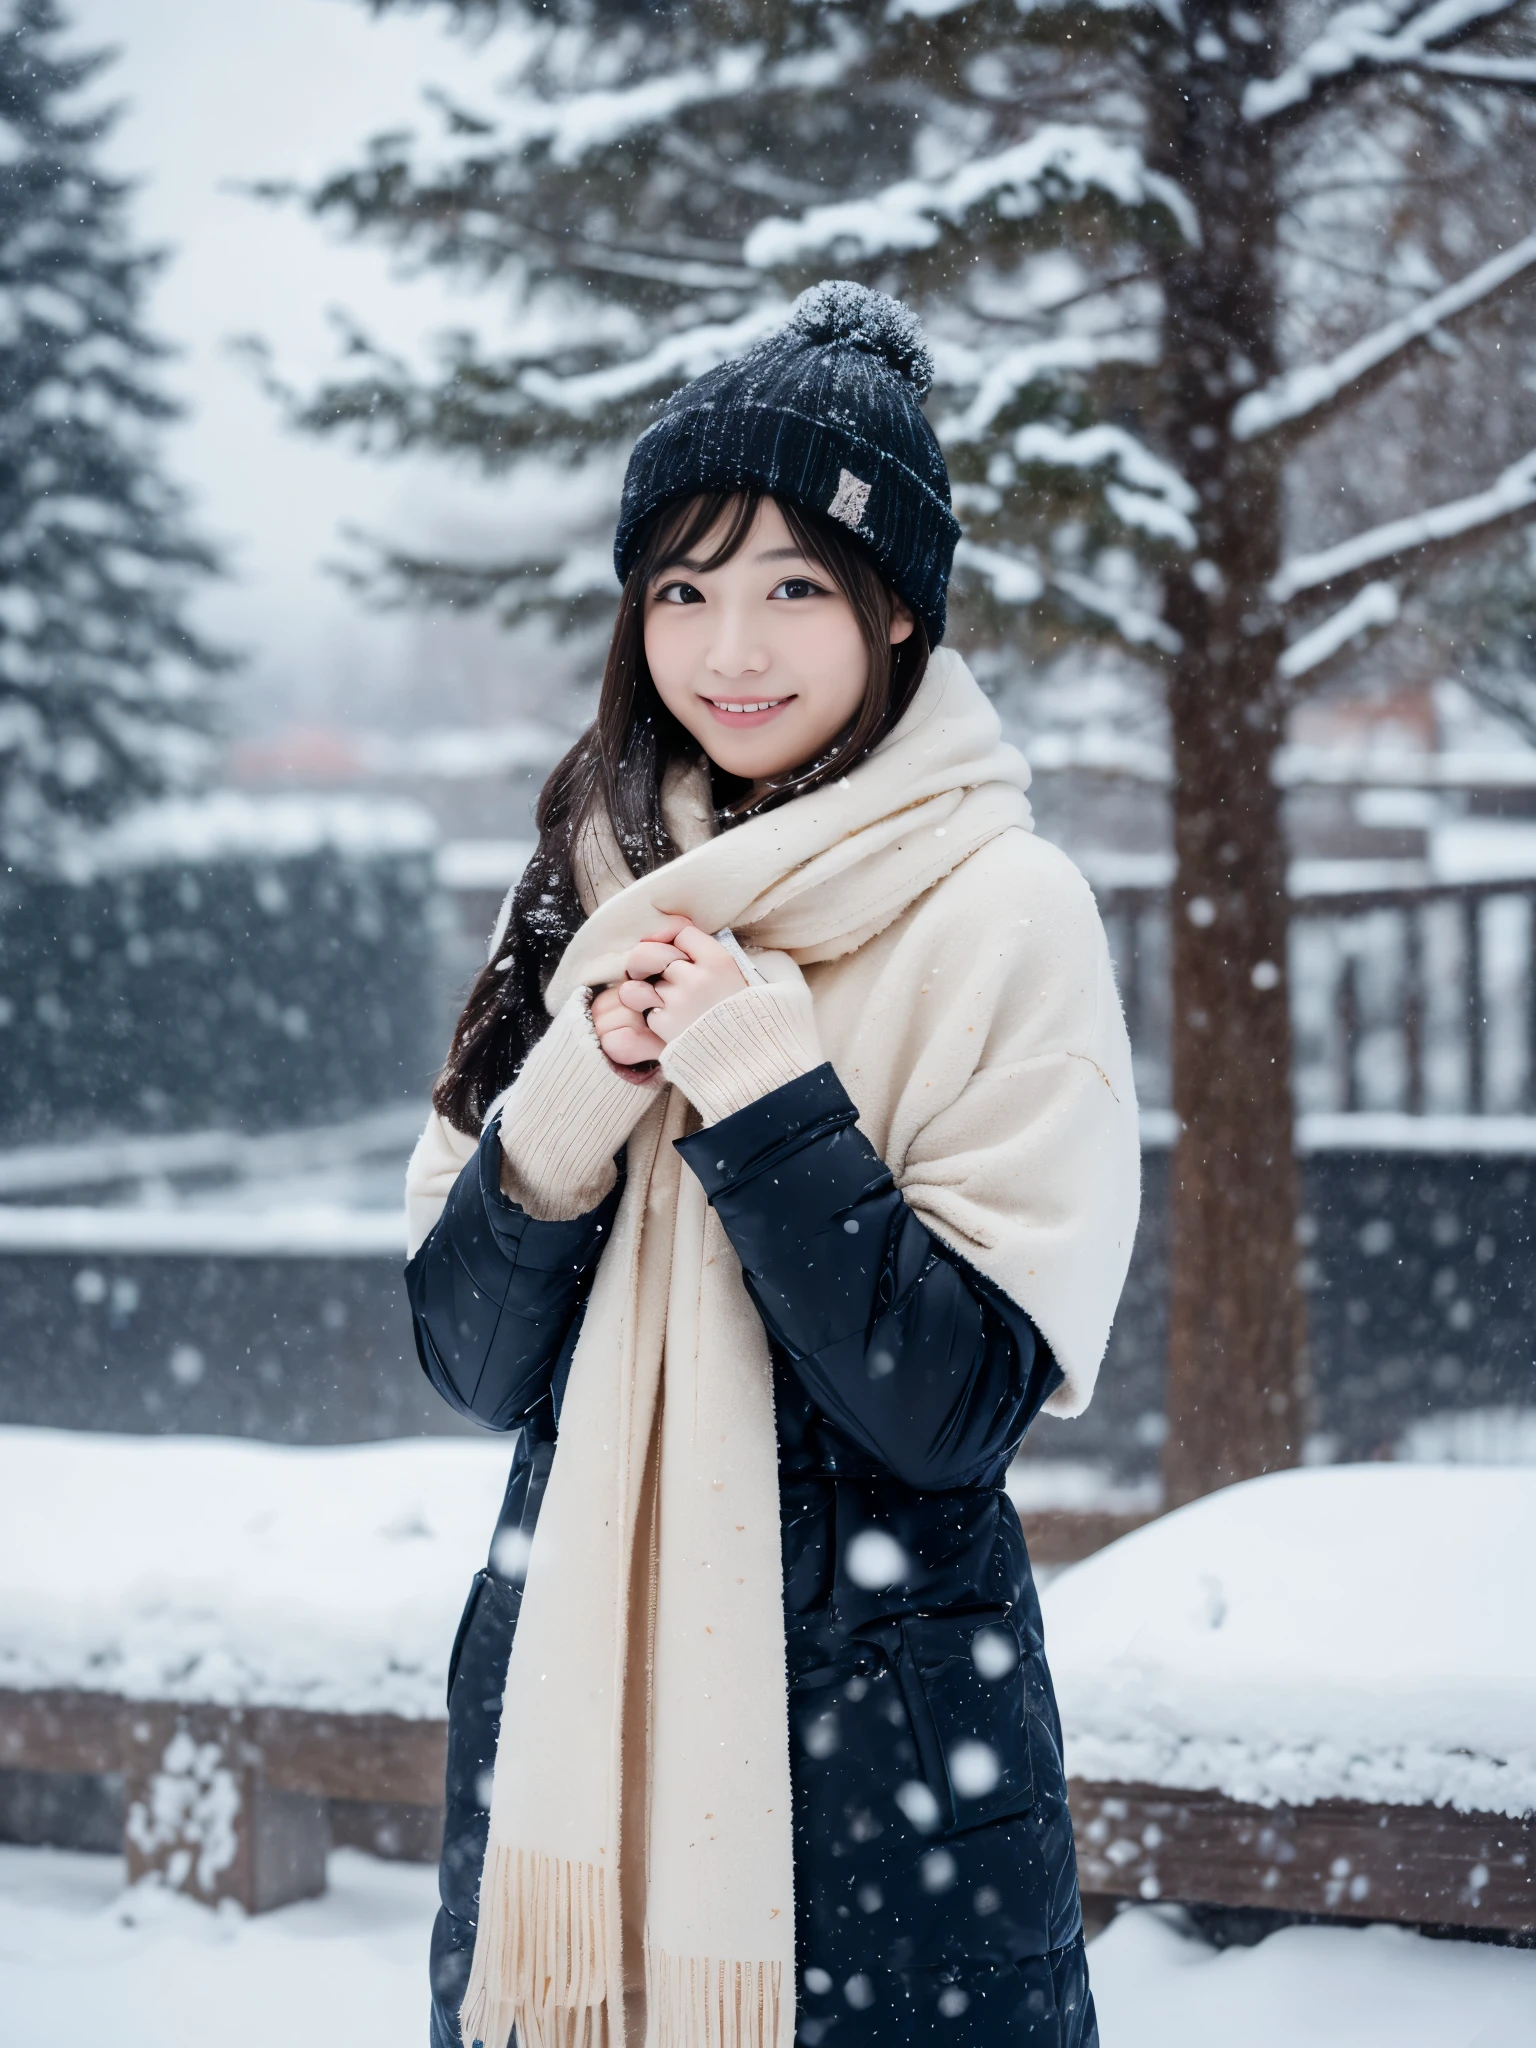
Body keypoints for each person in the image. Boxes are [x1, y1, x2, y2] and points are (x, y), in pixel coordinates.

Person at [404, 280, 1140, 2048]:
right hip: (566, 1759)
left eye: (793, 585)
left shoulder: (1003, 910)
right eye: (683, 590)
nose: (730, 650)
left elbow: (947, 1411)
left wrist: (757, 1084)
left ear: (896, 612)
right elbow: (467, 1359)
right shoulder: (583, 893)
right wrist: (582, 1091)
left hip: (884, 1794)